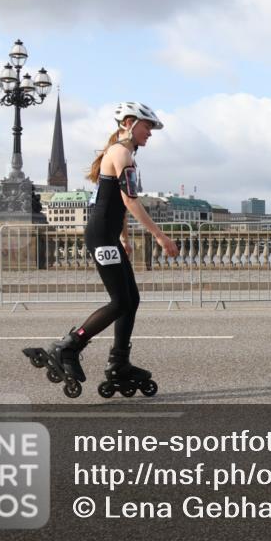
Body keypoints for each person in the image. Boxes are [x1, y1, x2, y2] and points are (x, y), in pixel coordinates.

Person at [24, 102, 179, 397]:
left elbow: (116, 204)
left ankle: (119, 362)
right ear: (130, 123)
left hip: (106, 235)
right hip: (99, 236)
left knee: (131, 299)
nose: (150, 133)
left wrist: (123, 237)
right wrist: (160, 237)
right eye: (148, 127)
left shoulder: (125, 153)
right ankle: (68, 347)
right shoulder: (121, 152)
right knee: (120, 301)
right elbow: (131, 201)